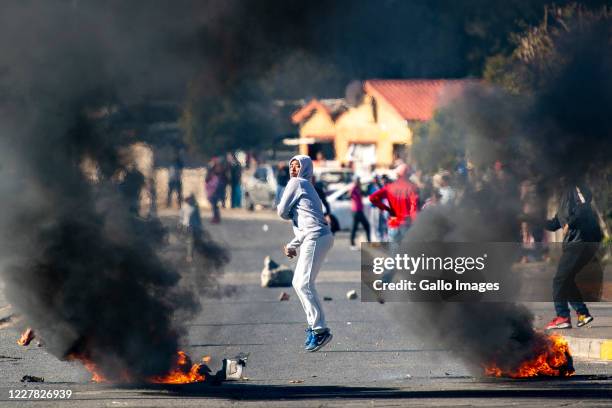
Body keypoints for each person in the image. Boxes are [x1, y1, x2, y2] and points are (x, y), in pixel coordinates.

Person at [277, 155, 334, 352]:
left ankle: (320, 330)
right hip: (317, 236)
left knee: (304, 283)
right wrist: (292, 244)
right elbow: (305, 224)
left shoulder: (297, 183)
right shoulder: (307, 187)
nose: (293, 169)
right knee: (297, 283)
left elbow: (281, 211)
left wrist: (288, 212)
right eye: (292, 166)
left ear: (305, 169)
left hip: (317, 237)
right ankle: (314, 327)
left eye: (297, 166)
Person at [544, 179, 603, 330]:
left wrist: (570, 223)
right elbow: (554, 224)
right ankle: (582, 314)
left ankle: (562, 316)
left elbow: (584, 205)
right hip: (576, 243)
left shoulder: (574, 184)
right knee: (566, 280)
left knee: (559, 280)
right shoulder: (563, 199)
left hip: (582, 241)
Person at [369, 164, 419, 243]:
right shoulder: (412, 188)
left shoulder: (389, 187)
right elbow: (414, 208)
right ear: (408, 175)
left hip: (393, 224)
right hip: (406, 225)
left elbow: (372, 198)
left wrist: (385, 208)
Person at [179, 194, 203, 262]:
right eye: (189, 200)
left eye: (192, 200)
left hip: (194, 226)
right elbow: (181, 216)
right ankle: (189, 254)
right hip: (186, 226)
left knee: (192, 241)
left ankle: (190, 254)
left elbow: (198, 217)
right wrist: (180, 224)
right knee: (189, 240)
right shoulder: (184, 207)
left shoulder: (195, 207)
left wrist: (200, 226)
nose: (190, 201)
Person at [349, 176, 371, 250]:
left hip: (359, 210)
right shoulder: (354, 187)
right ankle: (353, 244)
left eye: (359, 180)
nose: (359, 181)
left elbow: (363, 194)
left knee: (357, 227)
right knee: (363, 226)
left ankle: (353, 244)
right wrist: (354, 186)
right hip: (356, 211)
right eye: (358, 180)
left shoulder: (358, 188)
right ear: (355, 181)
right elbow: (350, 194)